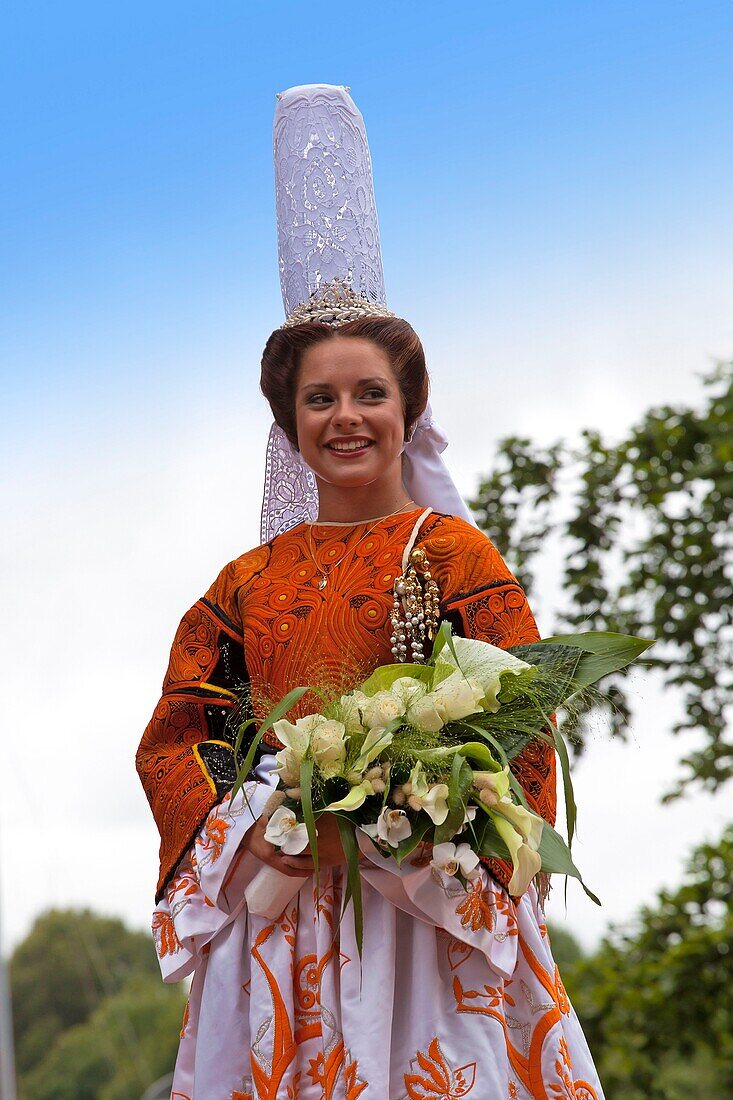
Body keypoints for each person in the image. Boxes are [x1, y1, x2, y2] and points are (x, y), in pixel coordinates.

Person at [136, 85, 604, 1099]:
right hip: (283, 913)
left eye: (368, 393)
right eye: (320, 396)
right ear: (289, 419)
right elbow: (180, 736)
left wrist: (418, 813)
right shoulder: (243, 584)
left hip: (427, 914)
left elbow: (522, 725)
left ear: (407, 408)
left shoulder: (454, 555)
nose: (345, 416)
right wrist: (259, 826)